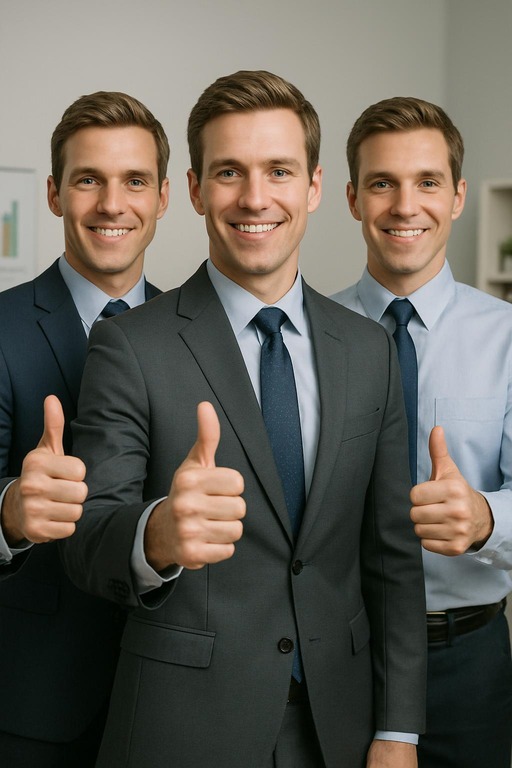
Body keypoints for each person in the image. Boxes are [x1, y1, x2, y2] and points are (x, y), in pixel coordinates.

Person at [62, 71, 426, 768]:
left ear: (315, 186)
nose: (255, 197)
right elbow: (86, 540)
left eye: (278, 171)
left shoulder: (369, 349)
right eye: (229, 172)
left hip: (341, 730)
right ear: (195, 189)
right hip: (183, 730)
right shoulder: (129, 345)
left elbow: (391, 559)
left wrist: (398, 729)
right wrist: (156, 534)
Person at [332, 96, 512, 768]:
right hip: (333, 657)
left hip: (468, 666)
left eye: (428, 182)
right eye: (383, 183)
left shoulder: (509, 338)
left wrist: (485, 518)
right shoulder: (302, 336)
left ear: (459, 196)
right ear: (353, 198)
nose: (406, 206)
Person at [0, 91, 169, 768]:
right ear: (53, 193)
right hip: (32, 705)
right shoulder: (3, 328)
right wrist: (9, 510)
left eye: (134, 181)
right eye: (88, 180)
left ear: (163, 197)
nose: (111, 204)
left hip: (167, 702)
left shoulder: (201, 333)